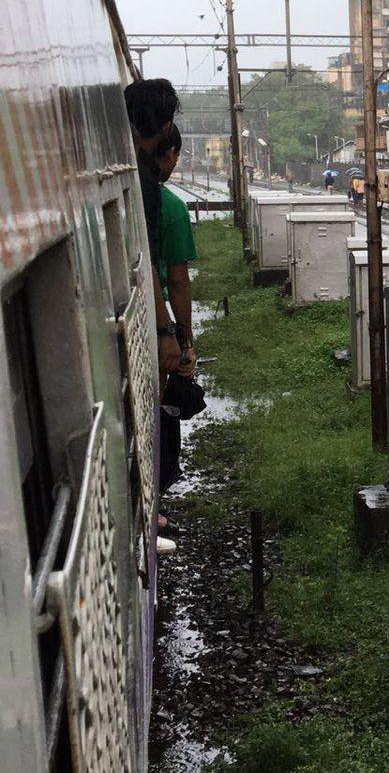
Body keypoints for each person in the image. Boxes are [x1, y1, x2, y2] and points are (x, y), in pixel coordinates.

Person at [155, 124, 199, 531]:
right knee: (165, 414)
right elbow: (179, 279)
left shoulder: (145, 200)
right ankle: (157, 505)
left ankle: (152, 505)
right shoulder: (169, 207)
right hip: (162, 327)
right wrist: (184, 339)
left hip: (142, 326)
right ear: (167, 153)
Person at [124, 78, 182, 381]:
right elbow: (145, 260)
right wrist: (166, 330)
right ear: (166, 126)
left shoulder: (133, 168)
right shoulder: (145, 182)